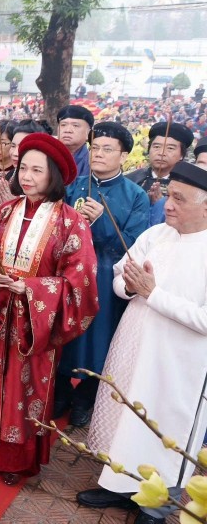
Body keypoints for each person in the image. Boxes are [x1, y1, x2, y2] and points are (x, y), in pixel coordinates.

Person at [0, 132, 99, 486]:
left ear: (54, 175)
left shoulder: (72, 222)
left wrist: (32, 288)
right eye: (23, 168)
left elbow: (79, 280)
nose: (27, 177)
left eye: (37, 171)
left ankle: (14, 459)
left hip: (35, 321)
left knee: (27, 389)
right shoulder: (4, 210)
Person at [80, 161, 207, 524]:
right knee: (125, 418)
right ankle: (118, 485)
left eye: (179, 199)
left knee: (164, 431)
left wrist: (153, 294)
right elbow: (122, 276)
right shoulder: (156, 235)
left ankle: (156, 506)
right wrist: (132, 286)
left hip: (178, 365)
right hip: (133, 345)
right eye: (169, 196)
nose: (168, 205)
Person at [58, 122, 150, 428]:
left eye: (107, 149)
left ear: (124, 155)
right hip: (69, 273)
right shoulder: (72, 186)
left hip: (106, 277)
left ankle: (86, 397)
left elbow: (134, 243)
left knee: (98, 340)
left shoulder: (135, 195)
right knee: (63, 333)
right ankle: (59, 392)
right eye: (95, 148)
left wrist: (102, 223)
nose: (98, 154)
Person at [126, 122, 194, 205]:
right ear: (149, 150)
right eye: (157, 147)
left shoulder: (189, 186)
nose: (161, 153)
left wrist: (160, 205)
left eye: (170, 148)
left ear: (182, 155)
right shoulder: (131, 180)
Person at [57, 104, 95, 180]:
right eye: (63, 125)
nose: (68, 130)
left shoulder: (93, 162)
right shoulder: (46, 157)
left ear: (89, 133)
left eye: (75, 126)